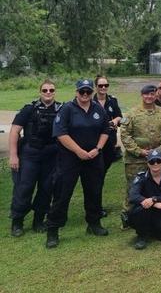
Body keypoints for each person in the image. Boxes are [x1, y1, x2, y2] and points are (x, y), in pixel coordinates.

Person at [45, 79, 111, 248]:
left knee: (94, 191)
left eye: (88, 91)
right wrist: (78, 151)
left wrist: (97, 149)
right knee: (62, 193)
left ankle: (94, 224)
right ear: (76, 92)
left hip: (94, 157)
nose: (85, 95)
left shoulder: (98, 108)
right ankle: (53, 230)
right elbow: (60, 133)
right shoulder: (67, 109)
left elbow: (105, 130)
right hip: (70, 158)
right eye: (82, 91)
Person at [9, 79, 62, 237]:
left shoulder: (61, 109)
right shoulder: (29, 109)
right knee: (24, 187)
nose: (48, 93)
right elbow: (14, 131)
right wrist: (13, 155)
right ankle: (17, 221)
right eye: (45, 90)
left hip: (51, 155)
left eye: (51, 90)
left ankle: (38, 220)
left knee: (46, 189)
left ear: (55, 92)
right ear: (40, 92)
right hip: (30, 154)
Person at [120, 84, 161, 228]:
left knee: (155, 187)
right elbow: (125, 135)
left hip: (156, 160)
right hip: (136, 159)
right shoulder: (132, 113)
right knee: (133, 188)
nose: (149, 97)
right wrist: (139, 151)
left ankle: (151, 214)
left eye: (152, 94)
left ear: (156, 95)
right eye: (146, 94)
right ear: (142, 95)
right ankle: (128, 216)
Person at [93, 75, 123, 216]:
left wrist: (115, 121)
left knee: (101, 175)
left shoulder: (112, 101)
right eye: (100, 86)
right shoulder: (90, 101)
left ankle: (97, 206)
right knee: (96, 176)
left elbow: (119, 116)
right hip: (95, 144)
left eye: (106, 85)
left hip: (110, 144)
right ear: (96, 87)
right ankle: (96, 208)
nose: (103, 88)